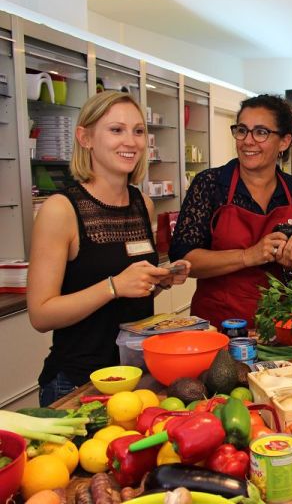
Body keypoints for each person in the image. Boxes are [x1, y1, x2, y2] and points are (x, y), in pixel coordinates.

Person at [27, 91, 191, 406]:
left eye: (138, 131)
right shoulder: (60, 210)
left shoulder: (141, 203)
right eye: (116, 130)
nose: (130, 141)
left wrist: (157, 281)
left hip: (137, 374)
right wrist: (114, 286)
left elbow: (129, 293)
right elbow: (41, 313)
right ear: (85, 137)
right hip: (79, 384)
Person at [169, 95, 292, 331]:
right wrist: (248, 255)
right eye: (242, 130)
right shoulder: (210, 184)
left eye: (261, 132)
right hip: (217, 327)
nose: (248, 141)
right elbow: (183, 259)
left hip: (282, 328)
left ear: (284, 141)